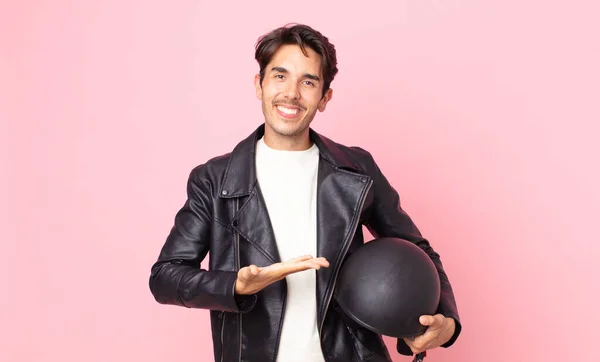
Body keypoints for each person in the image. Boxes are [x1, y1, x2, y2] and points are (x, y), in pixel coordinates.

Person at [149, 23, 461, 362]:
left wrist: (445, 321)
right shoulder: (213, 179)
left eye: (308, 82)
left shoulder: (357, 169)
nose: (292, 93)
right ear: (260, 84)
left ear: (325, 97)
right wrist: (235, 286)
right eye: (280, 76)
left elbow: (417, 249)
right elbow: (165, 277)